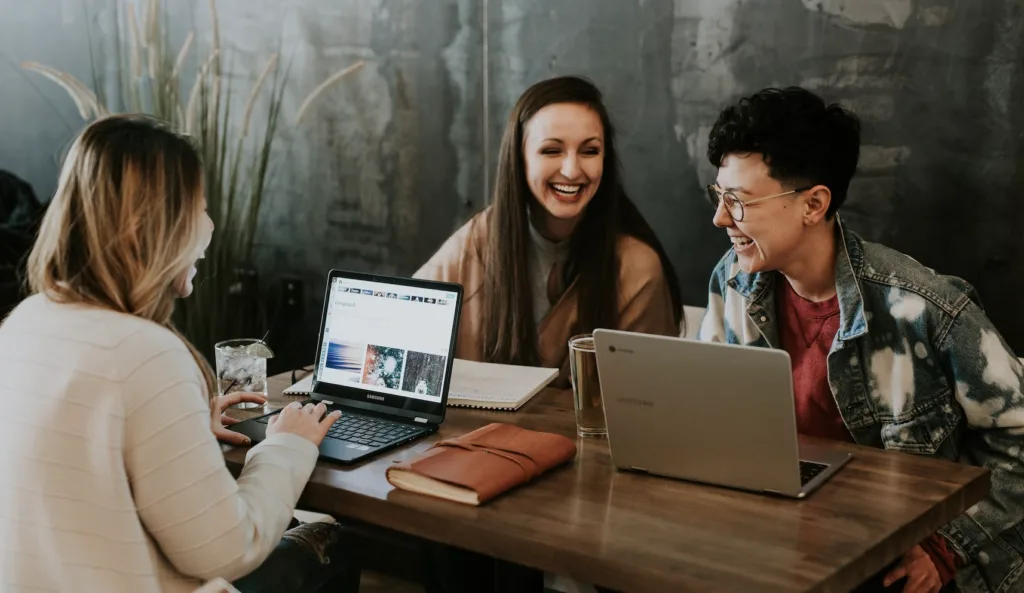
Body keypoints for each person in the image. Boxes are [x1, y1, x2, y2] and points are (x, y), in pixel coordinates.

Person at [0, 114, 352, 593]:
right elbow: (230, 549)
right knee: (332, 542)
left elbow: (78, 466)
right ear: (151, 226)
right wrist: (286, 446)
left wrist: (182, 428)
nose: (208, 226)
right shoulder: (146, 353)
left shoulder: (25, 322)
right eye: (198, 208)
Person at [698, 86, 1024, 593]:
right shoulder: (734, 280)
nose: (720, 218)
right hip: (786, 544)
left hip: (898, 559)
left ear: (813, 204)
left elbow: (1019, 437)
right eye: (719, 196)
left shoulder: (923, 309)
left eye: (738, 202)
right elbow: (713, 418)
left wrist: (946, 548)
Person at [415, 75, 683, 387]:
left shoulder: (636, 267)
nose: (572, 170)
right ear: (520, 158)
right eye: (551, 151)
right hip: (473, 435)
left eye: (590, 151)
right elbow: (400, 329)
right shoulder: (477, 241)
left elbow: (646, 402)